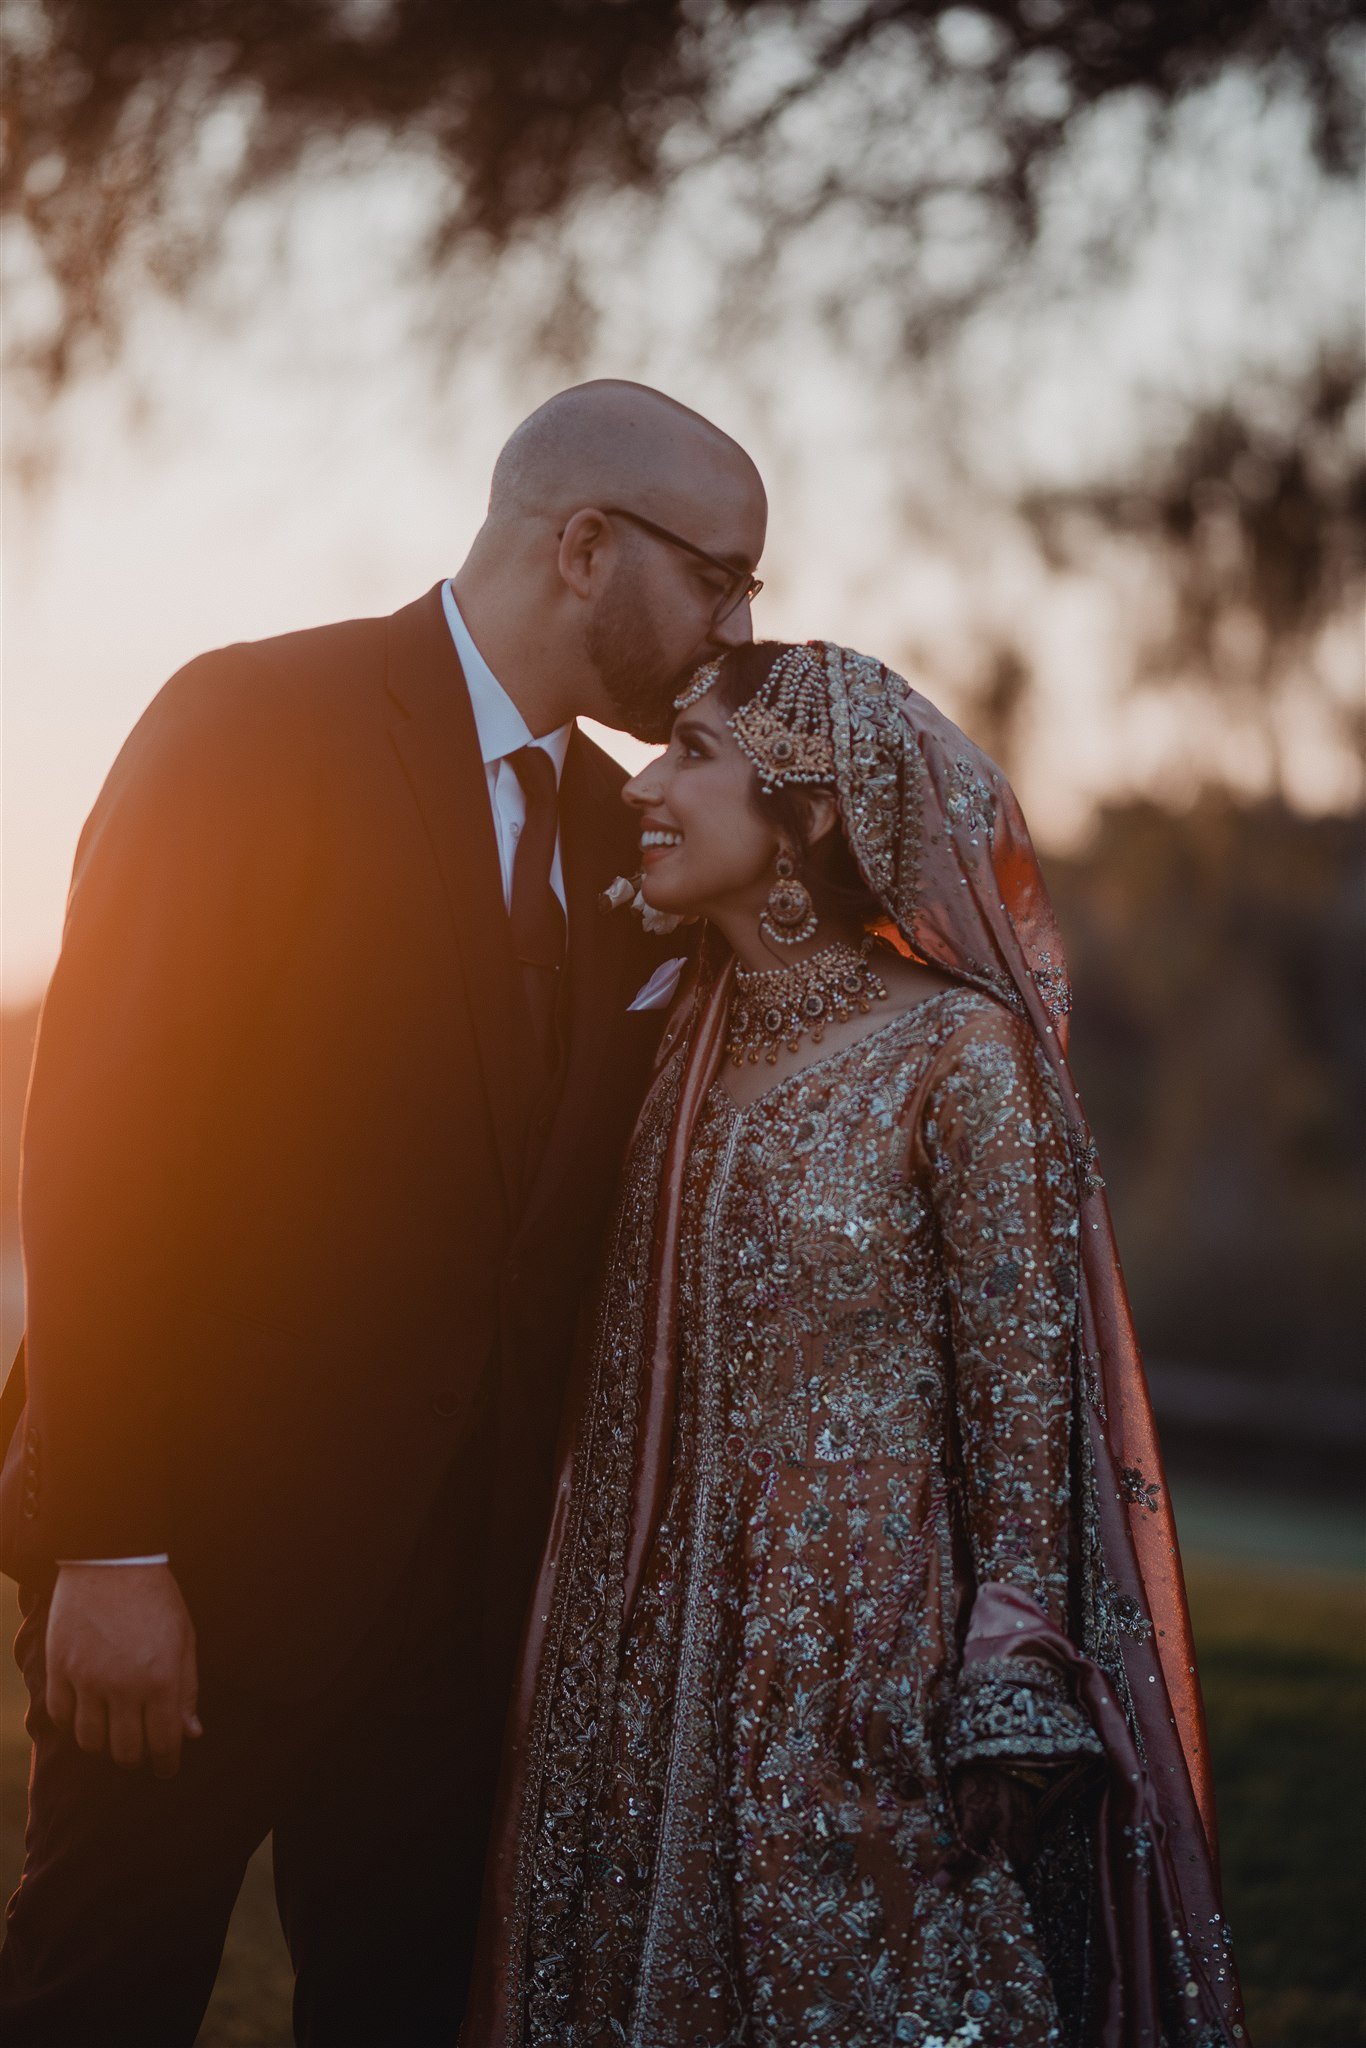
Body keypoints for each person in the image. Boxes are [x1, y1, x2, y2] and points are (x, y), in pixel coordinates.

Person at [0, 381, 767, 2046]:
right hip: (193, 1587)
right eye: (720, 577)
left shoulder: (608, 830)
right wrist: (109, 1548)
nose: (736, 629)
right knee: (93, 2002)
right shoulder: (252, 722)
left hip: (457, 1629)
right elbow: (102, 1140)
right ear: (582, 547)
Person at [464, 640, 1248, 2046]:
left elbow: (1023, 1396)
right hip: (649, 1653)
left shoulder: (959, 1060)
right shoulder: (671, 1048)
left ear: (810, 813)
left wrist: (1004, 1669)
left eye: (694, 752)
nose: (647, 781)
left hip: (864, 1650)